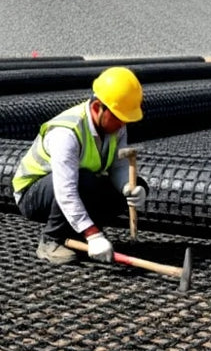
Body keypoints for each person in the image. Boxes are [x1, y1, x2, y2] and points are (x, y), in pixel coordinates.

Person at [12, 66, 148, 264]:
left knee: (136, 185)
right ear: (96, 108)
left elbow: (118, 165)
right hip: (34, 194)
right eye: (119, 117)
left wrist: (128, 187)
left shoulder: (115, 126)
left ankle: (78, 234)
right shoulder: (66, 133)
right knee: (84, 181)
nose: (122, 124)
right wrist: (93, 235)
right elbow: (65, 190)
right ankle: (51, 240)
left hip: (77, 185)